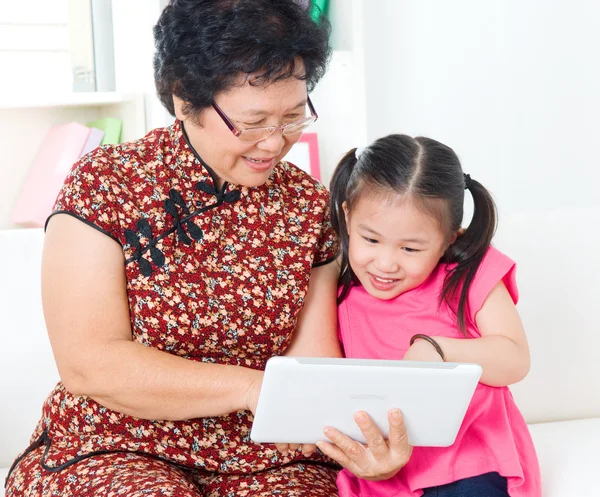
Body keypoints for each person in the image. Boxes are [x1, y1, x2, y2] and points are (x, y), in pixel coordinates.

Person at [4, 2, 412, 496]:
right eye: (253, 121)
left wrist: (365, 452)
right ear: (183, 100)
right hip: (115, 445)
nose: (274, 142)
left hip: (268, 456)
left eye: (292, 117)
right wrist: (248, 387)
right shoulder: (107, 182)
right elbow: (91, 363)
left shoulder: (307, 205)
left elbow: (311, 367)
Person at [316, 135, 542, 496]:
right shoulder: (338, 289)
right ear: (346, 216)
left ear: (449, 239)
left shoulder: (470, 274)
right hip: (383, 470)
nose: (385, 263)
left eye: (410, 248)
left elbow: (514, 360)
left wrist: (437, 349)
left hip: (469, 462)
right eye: (370, 240)